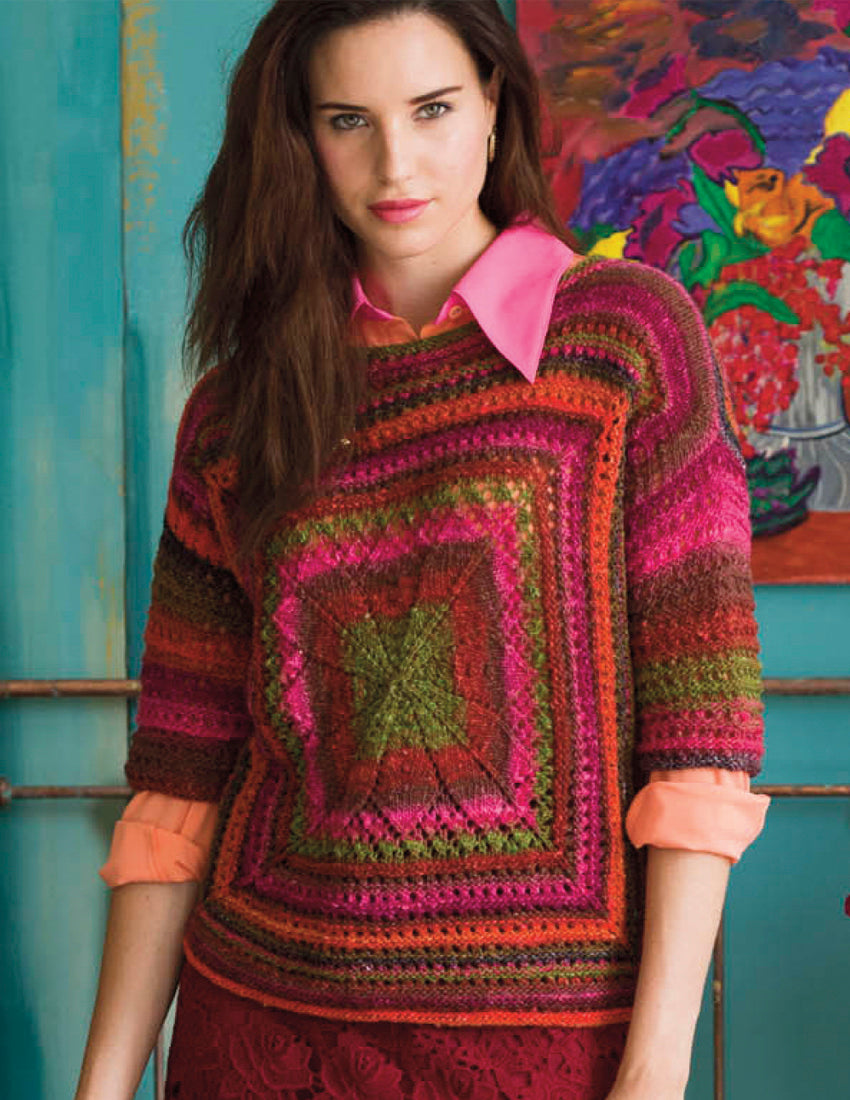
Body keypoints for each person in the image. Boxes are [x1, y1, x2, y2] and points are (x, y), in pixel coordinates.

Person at [75, 2, 770, 1098]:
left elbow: (699, 744)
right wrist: (104, 1082)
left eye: (432, 109)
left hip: (551, 1048)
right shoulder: (236, 411)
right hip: (257, 1029)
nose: (394, 163)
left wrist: (654, 1071)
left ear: (493, 106)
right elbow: (179, 780)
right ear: (300, 138)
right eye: (347, 120)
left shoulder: (624, 340)